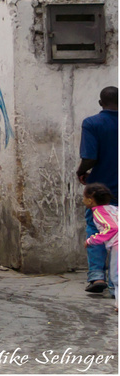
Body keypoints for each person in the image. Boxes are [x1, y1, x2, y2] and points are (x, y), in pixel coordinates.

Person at [77, 86, 118, 295]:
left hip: (101, 190)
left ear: (101, 103)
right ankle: (115, 281)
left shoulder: (92, 123)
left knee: (97, 228)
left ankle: (97, 276)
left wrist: (81, 171)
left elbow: (90, 156)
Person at [82, 183, 117, 299]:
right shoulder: (113, 208)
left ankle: (115, 294)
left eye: (84, 197)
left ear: (90, 200)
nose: (82, 200)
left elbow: (112, 228)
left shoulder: (98, 212)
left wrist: (92, 240)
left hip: (117, 244)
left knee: (115, 275)